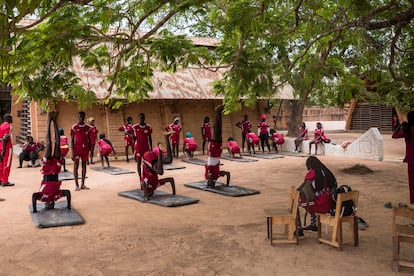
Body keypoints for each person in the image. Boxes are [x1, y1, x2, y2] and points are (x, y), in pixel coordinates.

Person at [32, 111, 71, 213]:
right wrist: (69, 206)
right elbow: (67, 192)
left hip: (47, 169)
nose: (50, 204)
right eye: (52, 205)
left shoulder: (42, 197)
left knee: (49, 144)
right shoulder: (56, 197)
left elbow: (34, 195)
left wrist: (35, 209)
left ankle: (49, 120)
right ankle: (55, 120)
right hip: (56, 169)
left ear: (45, 204)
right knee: (57, 144)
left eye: (48, 205)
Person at [298, 156, 337, 232]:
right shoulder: (327, 172)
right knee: (312, 199)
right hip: (331, 203)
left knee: (298, 202)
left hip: (322, 204)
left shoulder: (312, 173)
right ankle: (313, 224)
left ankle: (298, 228)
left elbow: (306, 185)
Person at [141, 132, 175, 201]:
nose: (152, 194)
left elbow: (142, 183)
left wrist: (145, 196)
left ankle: (159, 150)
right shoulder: (156, 185)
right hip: (153, 162)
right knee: (169, 160)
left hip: (147, 158)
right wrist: (174, 193)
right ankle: (166, 138)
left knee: (159, 171)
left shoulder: (146, 185)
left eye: (150, 194)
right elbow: (171, 179)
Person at [205, 105, 230, 187]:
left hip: (212, 152)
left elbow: (210, 175)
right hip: (216, 152)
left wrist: (211, 181)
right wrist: (227, 184)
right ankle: (218, 112)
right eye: (211, 182)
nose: (210, 181)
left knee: (216, 129)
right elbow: (227, 173)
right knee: (219, 130)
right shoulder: (216, 176)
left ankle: (217, 111)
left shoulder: (208, 176)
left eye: (209, 182)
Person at [392, 111, 414, 204]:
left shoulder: (408, 130)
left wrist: (400, 126)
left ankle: (412, 201)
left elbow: (394, 135)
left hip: (411, 159)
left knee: (412, 182)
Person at [71, 111, 91, 191]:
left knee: (84, 166)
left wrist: (90, 152)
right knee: (76, 166)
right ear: (78, 117)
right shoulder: (74, 127)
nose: (81, 118)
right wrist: (72, 152)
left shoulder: (88, 128)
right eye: (79, 117)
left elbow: (89, 140)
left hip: (85, 149)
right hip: (77, 149)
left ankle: (83, 184)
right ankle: (76, 185)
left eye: (82, 117)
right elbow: (72, 140)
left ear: (84, 117)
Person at [133, 113, 152, 179]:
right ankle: (140, 178)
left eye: (143, 118)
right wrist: (135, 148)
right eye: (140, 118)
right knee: (139, 162)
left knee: (147, 162)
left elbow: (150, 138)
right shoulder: (135, 127)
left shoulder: (148, 127)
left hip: (146, 147)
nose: (142, 119)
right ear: (139, 118)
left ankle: (147, 175)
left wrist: (151, 148)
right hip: (139, 148)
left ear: (144, 118)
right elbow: (134, 138)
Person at [0, 114, 14, 187]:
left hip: (0, 147)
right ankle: (5, 181)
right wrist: (3, 151)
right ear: (8, 119)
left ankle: (1, 179)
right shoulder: (9, 126)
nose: (12, 120)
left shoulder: (1, 126)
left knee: (1, 164)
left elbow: (1, 138)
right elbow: (5, 138)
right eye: (11, 118)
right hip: (7, 148)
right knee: (7, 164)